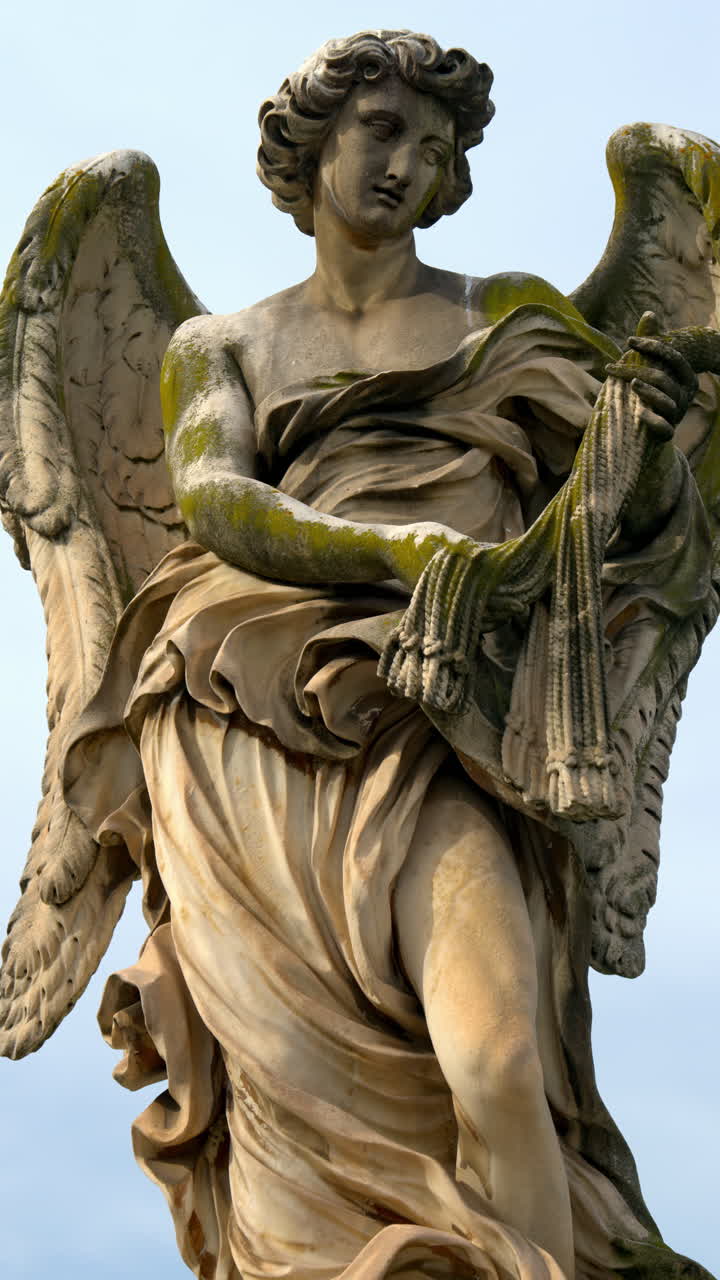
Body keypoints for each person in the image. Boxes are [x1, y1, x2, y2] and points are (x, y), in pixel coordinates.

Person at [65, 30, 707, 1280]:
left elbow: (620, 523)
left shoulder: (508, 320)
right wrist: (406, 552)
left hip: (449, 715)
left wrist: (648, 435)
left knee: (501, 1063)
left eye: (436, 143)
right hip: (251, 716)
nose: (406, 161)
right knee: (294, 1116)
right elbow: (212, 500)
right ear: (311, 145)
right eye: (380, 130)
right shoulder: (228, 347)